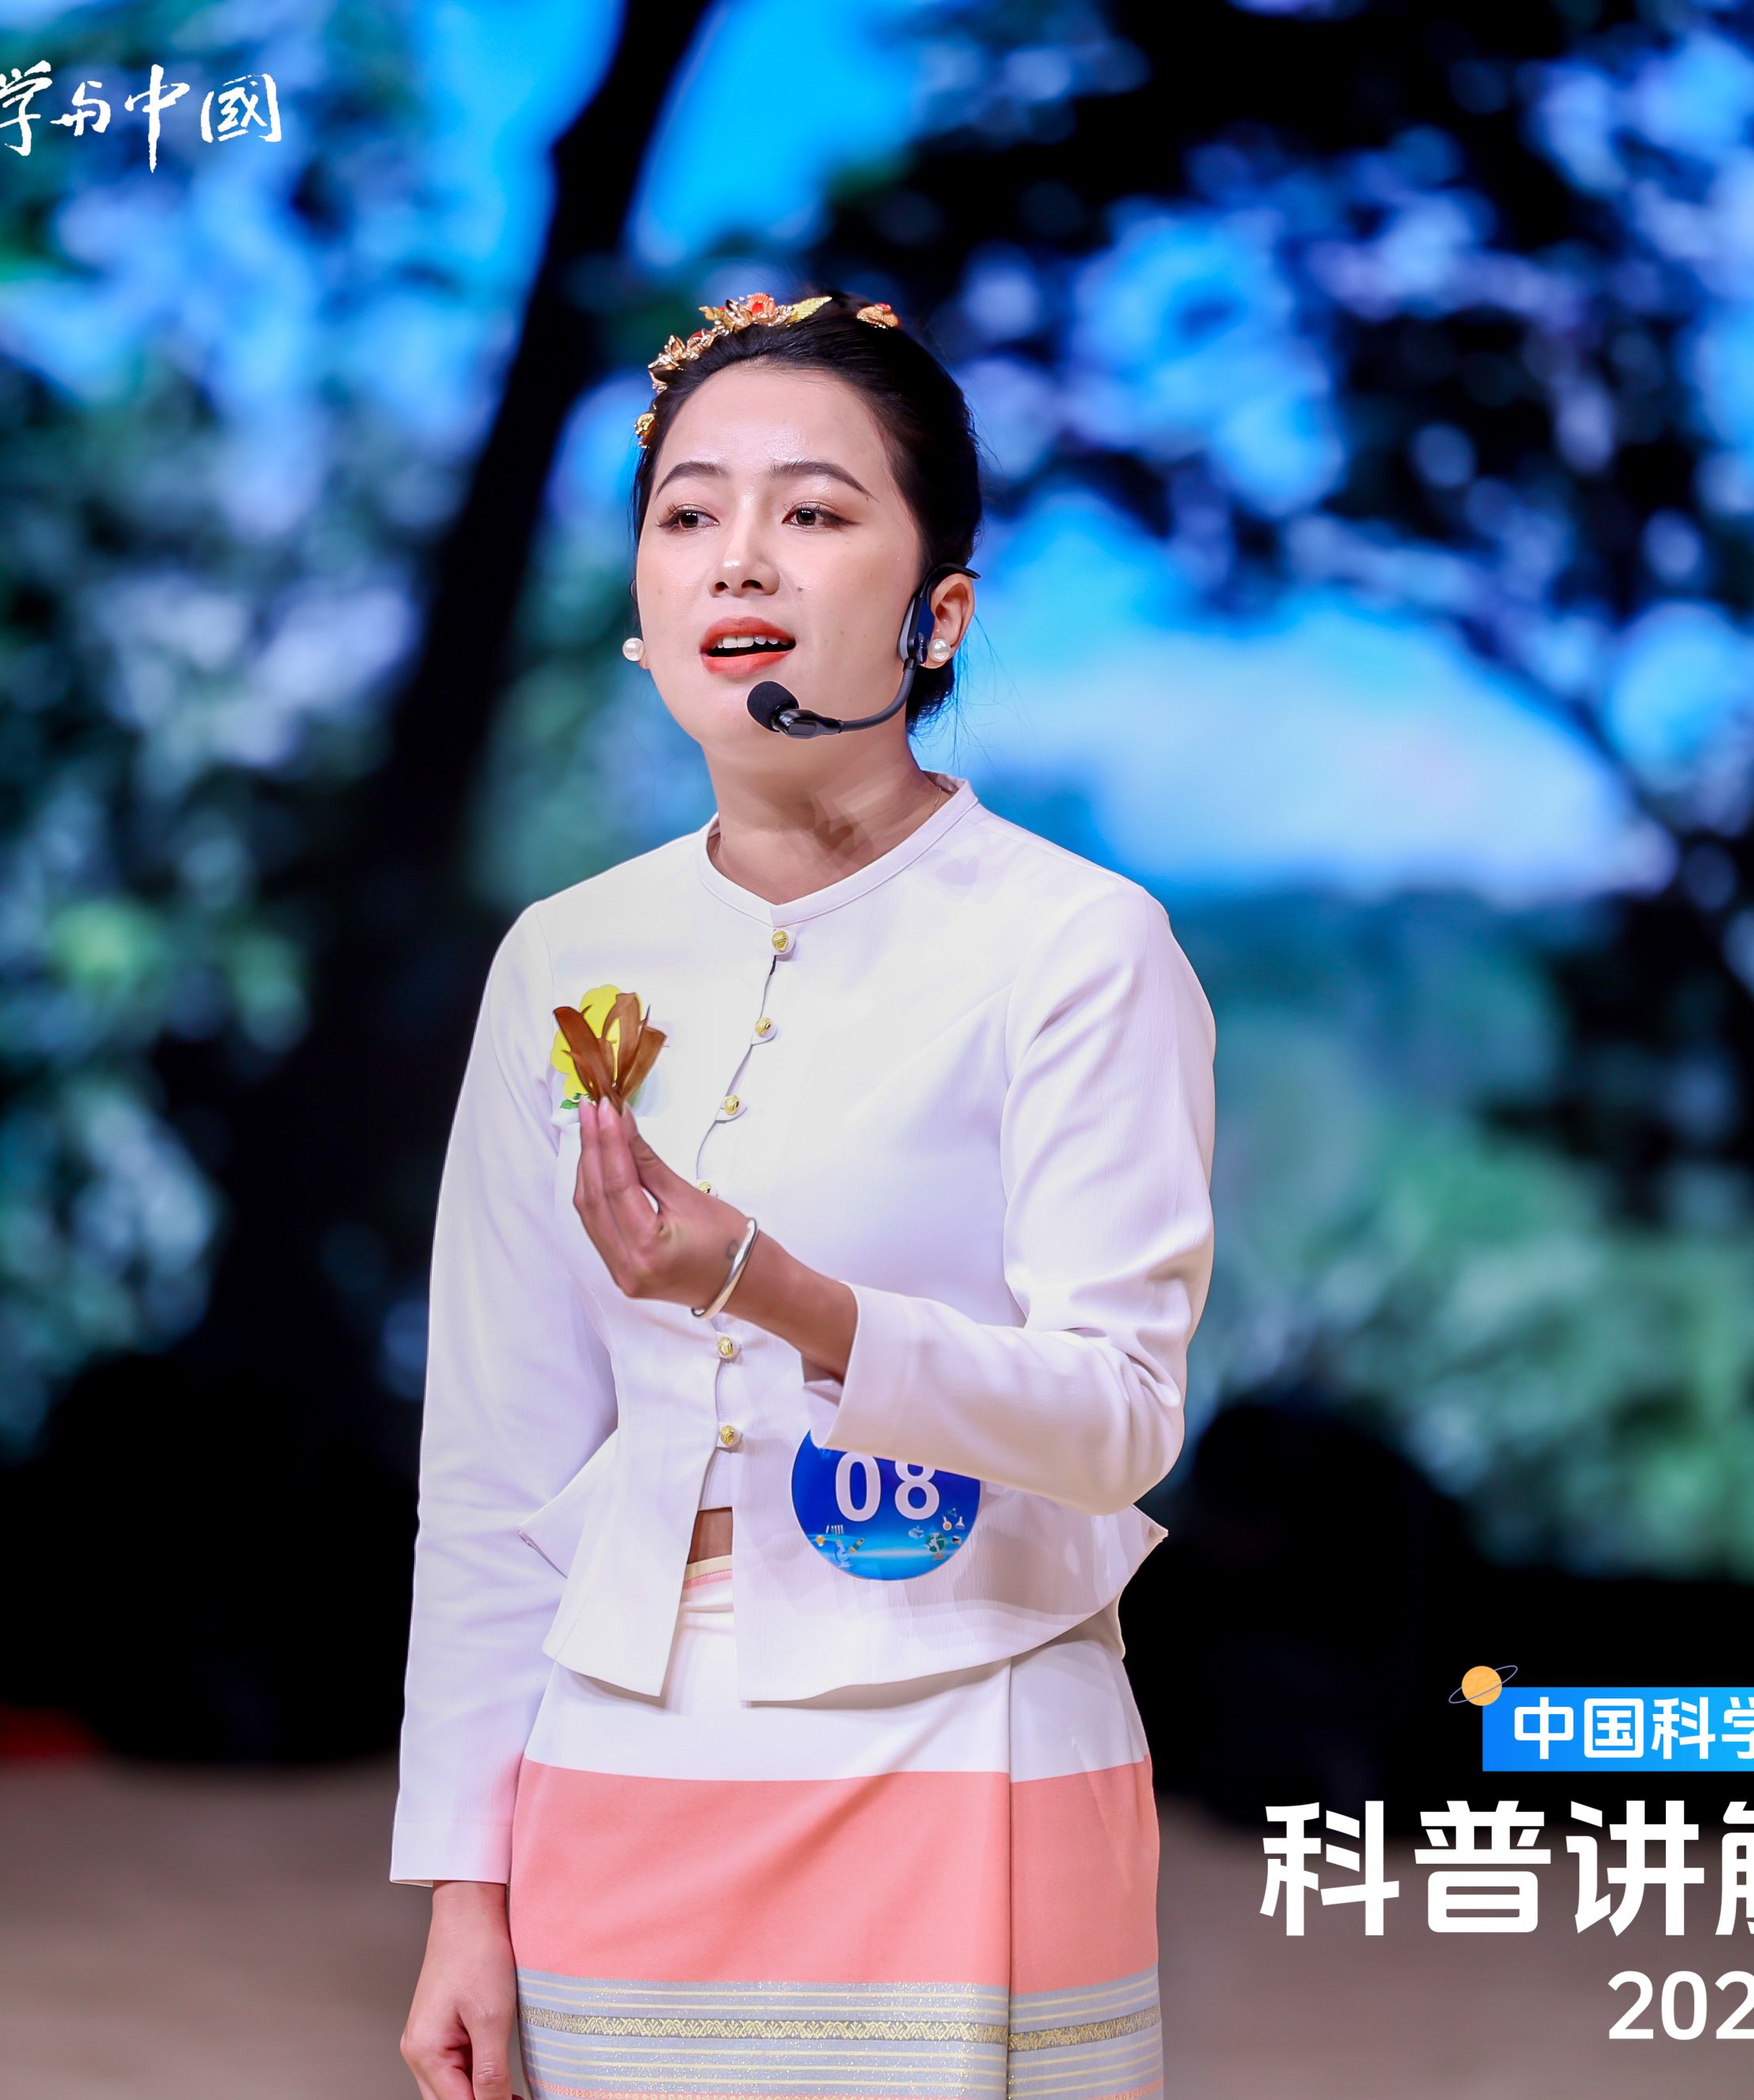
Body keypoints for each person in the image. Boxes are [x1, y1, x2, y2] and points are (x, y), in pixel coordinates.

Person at [393, 288, 1216, 2100]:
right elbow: (496, 1462)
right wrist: (465, 1884)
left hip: (965, 1738)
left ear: (940, 615)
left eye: (814, 510)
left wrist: (776, 1289)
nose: (737, 557)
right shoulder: (564, 955)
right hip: (619, 1764)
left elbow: (1118, 1419)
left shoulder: (1074, 945)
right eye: (686, 512)